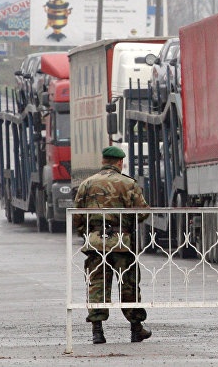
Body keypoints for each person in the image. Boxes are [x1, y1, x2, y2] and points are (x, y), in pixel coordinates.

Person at [73, 145, 152, 344]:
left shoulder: (87, 184)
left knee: (97, 285)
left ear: (103, 161)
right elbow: (142, 212)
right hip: (122, 243)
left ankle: (97, 332)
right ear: (119, 162)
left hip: (96, 242)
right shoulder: (128, 184)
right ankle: (136, 328)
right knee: (129, 285)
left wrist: (87, 234)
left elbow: (77, 216)